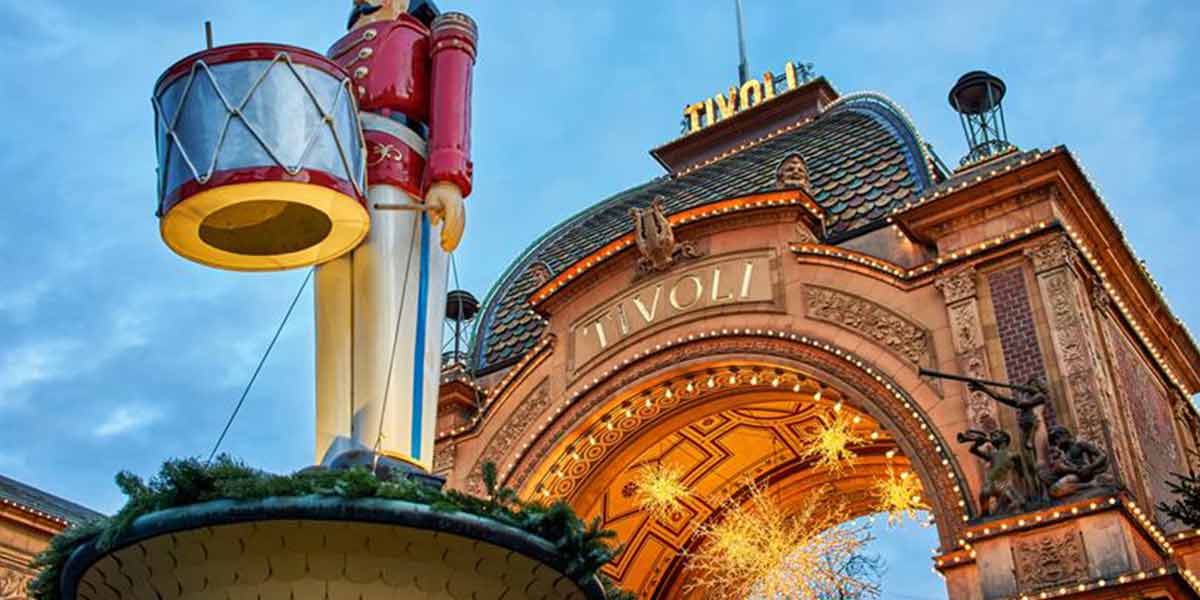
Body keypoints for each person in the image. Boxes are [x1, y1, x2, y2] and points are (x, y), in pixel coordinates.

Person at [314, 0, 478, 477]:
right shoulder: (335, 52)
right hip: (340, 183)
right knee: (335, 312)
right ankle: (334, 448)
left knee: (391, 306)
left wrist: (448, 176)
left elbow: (450, 99)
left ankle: (392, 447)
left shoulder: (437, 33)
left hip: (401, 174)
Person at [969, 376, 1047, 503]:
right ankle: (1034, 493)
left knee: (1039, 462)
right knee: (1028, 465)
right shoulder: (1027, 400)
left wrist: (1020, 393)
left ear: (1038, 386)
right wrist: (983, 389)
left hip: (1036, 429)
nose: (1029, 387)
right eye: (1029, 384)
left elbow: (1020, 404)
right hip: (1025, 431)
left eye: (1032, 384)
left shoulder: (1039, 396)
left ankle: (1044, 494)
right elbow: (1001, 398)